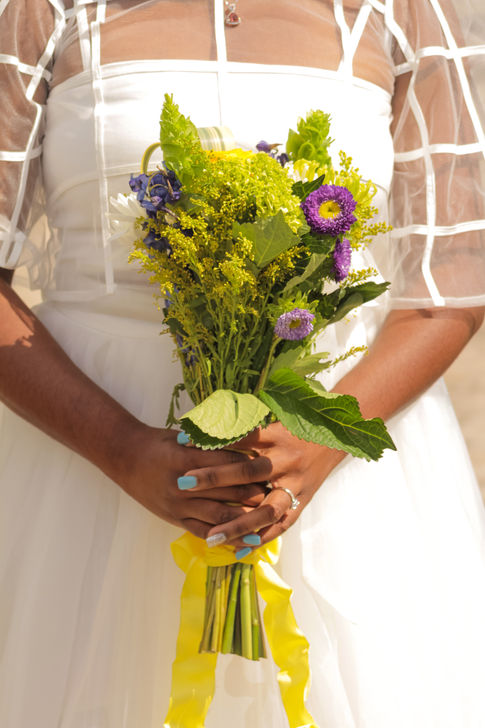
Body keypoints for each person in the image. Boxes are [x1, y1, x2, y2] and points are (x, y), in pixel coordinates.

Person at [1, 1, 485, 726]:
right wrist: (121, 448)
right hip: (83, 459)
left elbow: (455, 268)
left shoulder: (408, 10)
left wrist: (320, 444)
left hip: (338, 468)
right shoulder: (40, 11)